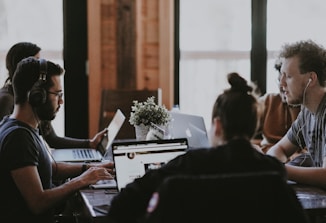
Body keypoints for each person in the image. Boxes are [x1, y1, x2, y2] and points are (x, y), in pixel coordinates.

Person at [107, 72, 286, 222]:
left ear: (217, 126)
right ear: (254, 126)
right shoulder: (273, 171)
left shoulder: (187, 164)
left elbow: (121, 205)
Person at [0, 57, 114, 223]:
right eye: (57, 94)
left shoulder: (19, 126)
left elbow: (51, 168)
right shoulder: (18, 138)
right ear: (37, 96)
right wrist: (83, 180)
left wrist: (91, 168)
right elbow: (38, 202)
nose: (61, 101)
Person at [0, 42, 106, 150]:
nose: (42, 69)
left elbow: (52, 139)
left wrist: (89, 143)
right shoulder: (7, 100)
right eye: (36, 61)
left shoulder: (39, 97)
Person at [267, 39, 326, 188]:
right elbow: (279, 149)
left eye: (288, 76)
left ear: (311, 79)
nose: (281, 84)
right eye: (281, 76)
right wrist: (276, 165)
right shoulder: (307, 113)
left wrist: (279, 169)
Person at [254, 60, 313, 167]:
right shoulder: (268, 101)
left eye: (288, 79)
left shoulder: (309, 110)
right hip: (272, 157)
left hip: (298, 162)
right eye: (279, 80)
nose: (282, 85)